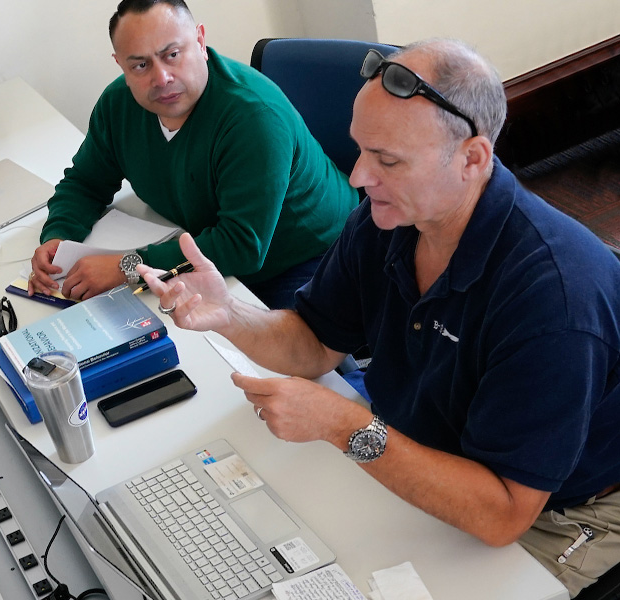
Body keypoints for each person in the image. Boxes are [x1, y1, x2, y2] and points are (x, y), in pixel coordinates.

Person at [138, 38, 620, 598]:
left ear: (472, 159)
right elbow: (315, 342)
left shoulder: (554, 299)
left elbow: (502, 514)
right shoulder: (392, 216)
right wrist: (231, 315)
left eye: (388, 160)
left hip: (552, 509)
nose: (357, 178)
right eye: (361, 150)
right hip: (430, 450)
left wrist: (344, 426)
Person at [28, 0, 357, 309]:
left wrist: (127, 267)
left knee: (280, 363)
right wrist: (59, 237)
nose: (162, 78)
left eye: (172, 54)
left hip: (312, 257)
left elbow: (241, 246)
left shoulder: (253, 117)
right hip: (206, 245)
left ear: (200, 41)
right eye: (141, 65)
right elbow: (85, 184)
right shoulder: (118, 105)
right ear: (121, 66)